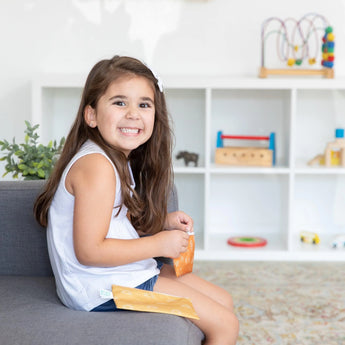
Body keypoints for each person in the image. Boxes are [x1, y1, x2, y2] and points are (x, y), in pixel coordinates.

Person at [34, 55, 239, 345]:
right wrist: (158, 244)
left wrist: (163, 223)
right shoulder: (97, 167)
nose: (133, 113)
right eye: (120, 102)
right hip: (101, 290)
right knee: (225, 325)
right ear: (91, 115)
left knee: (224, 300)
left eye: (144, 104)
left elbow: (115, 224)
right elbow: (89, 251)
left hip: (120, 277)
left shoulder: (115, 160)